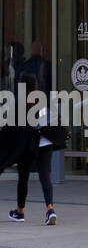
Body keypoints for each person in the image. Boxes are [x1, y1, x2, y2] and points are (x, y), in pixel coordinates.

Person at [5, 73, 60, 225]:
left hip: (27, 147)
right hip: (45, 143)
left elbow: (12, 129)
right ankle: (50, 209)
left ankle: (20, 212)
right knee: (45, 177)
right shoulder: (43, 100)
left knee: (23, 178)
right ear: (35, 85)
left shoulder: (20, 103)